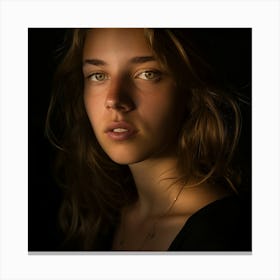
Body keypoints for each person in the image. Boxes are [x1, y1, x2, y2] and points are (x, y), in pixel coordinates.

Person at [45, 28, 251, 251]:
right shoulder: (102, 219)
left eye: (147, 74)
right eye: (98, 75)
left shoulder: (227, 237)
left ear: (190, 88)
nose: (114, 100)